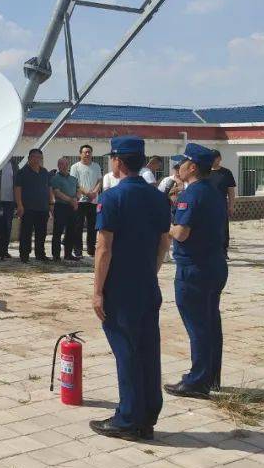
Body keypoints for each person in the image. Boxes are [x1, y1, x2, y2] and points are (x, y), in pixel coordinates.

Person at [90, 136, 171, 441]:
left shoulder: (112, 198)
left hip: (121, 289)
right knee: (148, 350)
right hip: (147, 285)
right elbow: (164, 244)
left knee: (126, 351)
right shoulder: (158, 198)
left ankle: (128, 419)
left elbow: (104, 248)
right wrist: (149, 273)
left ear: (118, 162)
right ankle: (147, 415)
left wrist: (98, 291)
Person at [165, 144, 229, 399]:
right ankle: (211, 376)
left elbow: (181, 233)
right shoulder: (213, 191)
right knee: (211, 322)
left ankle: (197, 381)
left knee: (198, 325)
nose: (178, 167)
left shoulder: (191, 194)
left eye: (181, 163)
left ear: (192, 167)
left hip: (194, 268)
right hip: (214, 264)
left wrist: (164, 225)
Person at [15, 148, 53, 263]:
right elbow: (17, 189)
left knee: (41, 233)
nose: (36, 159)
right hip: (27, 208)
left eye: (39, 157)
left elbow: (49, 188)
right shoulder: (22, 172)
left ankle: (40, 254)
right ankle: (24, 255)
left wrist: (51, 203)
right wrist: (19, 205)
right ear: (29, 158)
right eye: (34, 157)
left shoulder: (44, 172)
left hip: (43, 208)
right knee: (26, 233)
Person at [70, 145, 102, 258]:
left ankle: (91, 248)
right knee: (78, 226)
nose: (87, 154)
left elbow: (99, 180)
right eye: (85, 152)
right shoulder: (75, 167)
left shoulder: (96, 166)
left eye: (89, 152)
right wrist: (87, 193)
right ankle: (77, 249)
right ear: (80, 154)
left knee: (92, 226)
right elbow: (75, 183)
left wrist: (94, 193)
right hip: (80, 201)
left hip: (93, 201)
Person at [50, 156, 81, 262]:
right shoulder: (55, 178)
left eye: (66, 164)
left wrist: (76, 199)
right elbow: (57, 193)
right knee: (58, 232)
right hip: (61, 207)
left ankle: (68, 254)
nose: (64, 166)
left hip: (72, 207)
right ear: (58, 166)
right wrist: (71, 200)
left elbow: (78, 190)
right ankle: (56, 255)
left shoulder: (73, 179)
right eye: (61, 164)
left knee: (71, 231)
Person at [206, 150, 236, 258]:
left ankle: (223, 251)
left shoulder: (226, 173)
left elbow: (231, 191)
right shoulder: (205, 172)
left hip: (221, 204)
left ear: (220, 158)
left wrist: (231, 205)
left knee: (223, 228)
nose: (213, 160)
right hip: (206, 205)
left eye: (215, 158)